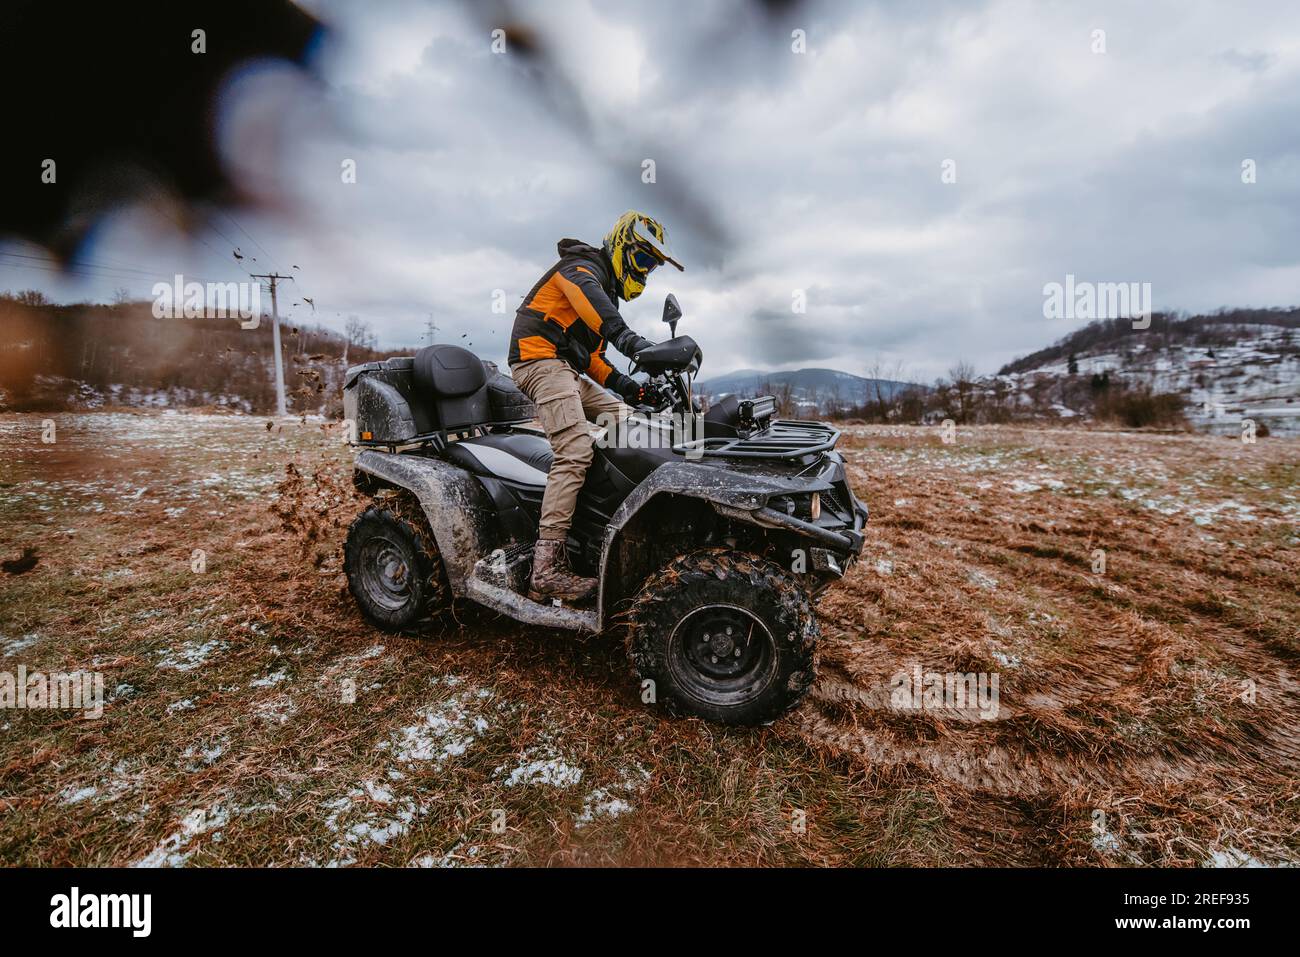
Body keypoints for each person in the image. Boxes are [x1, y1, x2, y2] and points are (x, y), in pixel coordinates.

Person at [508, 210, 683, 602]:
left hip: (568, 368)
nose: (643, 272)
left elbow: (594, 359)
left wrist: (633, 390)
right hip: (537, 361)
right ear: (622, 247)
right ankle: (547, 567)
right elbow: (603, 317)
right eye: (641, 260)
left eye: (650, 268)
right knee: (575, 449)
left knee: (635, 427)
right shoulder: (580, 268)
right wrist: (636, 343)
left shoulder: (600, 290)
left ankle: (604, 526)